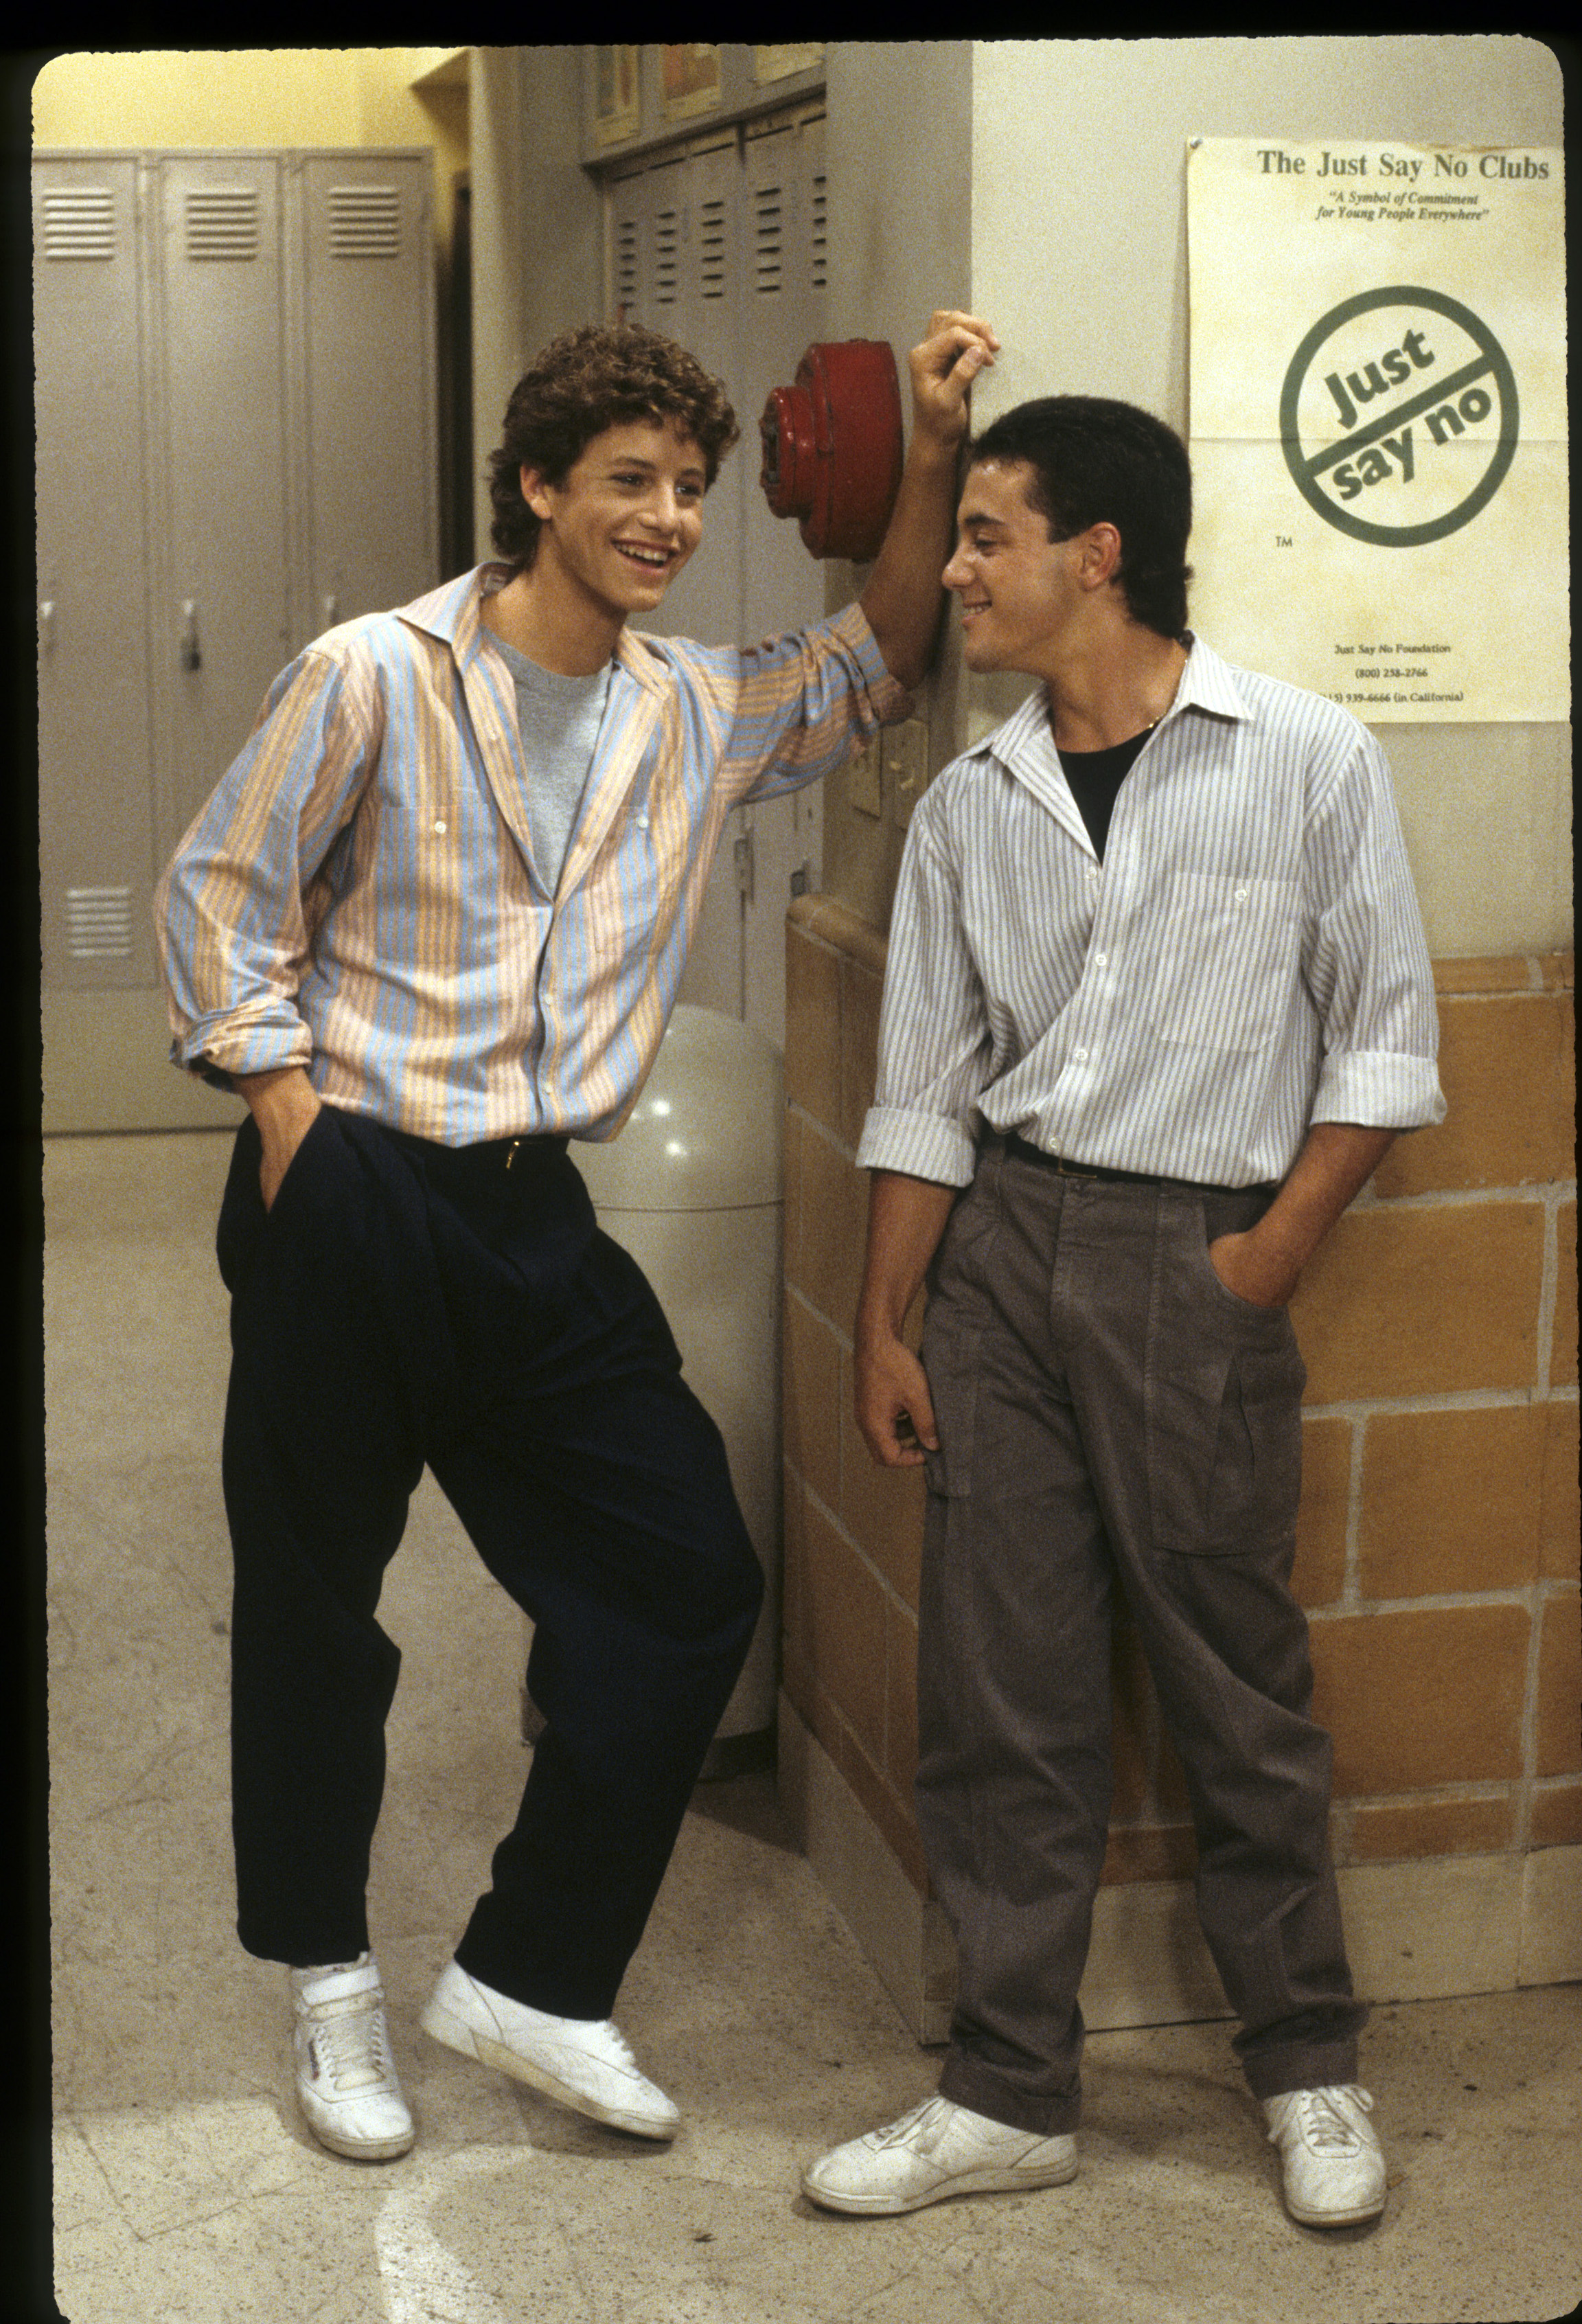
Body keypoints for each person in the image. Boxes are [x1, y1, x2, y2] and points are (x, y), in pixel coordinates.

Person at [155, 308, 998, 2165]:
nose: (670, 517)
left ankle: (531, 1978)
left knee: (690, 1577)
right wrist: (289, 1115)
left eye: (692, 489)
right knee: (317, 1611)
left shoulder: (690, 711)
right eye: (629, 482)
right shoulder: (371, 675)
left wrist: (928, 447)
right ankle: (328, 1992)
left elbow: (879, 651)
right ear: (536, 489)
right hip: (356, 1187)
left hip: (537, 1212)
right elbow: (221, 898)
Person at [801, 394, 1445, 2229]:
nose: (957, 571)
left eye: (988, 534)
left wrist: (1261, 1261)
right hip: (1001, 1259)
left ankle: (1309, 2065)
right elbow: (924, 1084)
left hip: (1200, 1254)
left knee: (1236, 1684)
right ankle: (1008, 2089)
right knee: (1000, 1689)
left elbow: (1386, 1048)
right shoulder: (966, 806)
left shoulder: (1307, 758)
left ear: (1099, 554)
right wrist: (886, 1320)